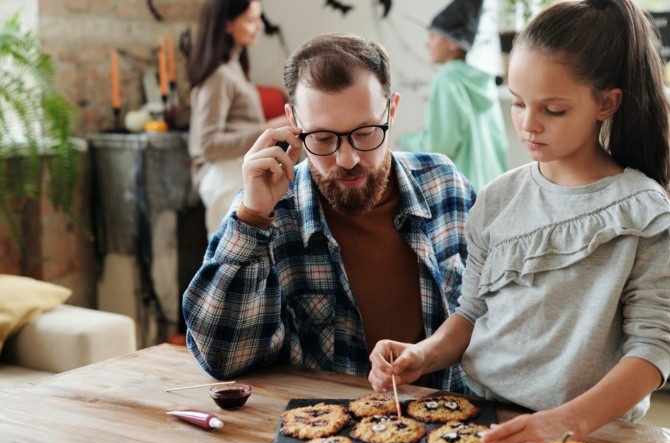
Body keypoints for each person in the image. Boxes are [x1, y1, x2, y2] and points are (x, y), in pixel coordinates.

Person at [369, 0, 670, 443]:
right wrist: (421, 355)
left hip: (588, 431)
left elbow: (652, 350)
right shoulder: (499, 197)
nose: (528, 124)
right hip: (480, 415)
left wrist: (569, 423)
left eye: (553, 110)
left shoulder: (643, 213)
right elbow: (470, 314)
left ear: (606, 103)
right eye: (518, 103)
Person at [183, 33, 476, 393]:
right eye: (322, 139)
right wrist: (254, 217)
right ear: (293, 121)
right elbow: (222, 358)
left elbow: (493, 315)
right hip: (325, 433)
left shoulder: (446, 186)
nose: (347, 159)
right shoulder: (268, 212)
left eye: (367, 133)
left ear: (392, 110)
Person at [187, 0, 290, 238]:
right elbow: (206, 145)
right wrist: (268, 129)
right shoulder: (219, 76)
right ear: (227, 25)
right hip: (223, 175)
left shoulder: (234, 68)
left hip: (236, 169)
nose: (260, 26)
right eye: (251, 20)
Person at [398, 0, 508, 190]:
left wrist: (406, 140)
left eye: (432, 37)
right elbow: (499, 144)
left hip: (464, 192)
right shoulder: (485, 81)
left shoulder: (447, 78)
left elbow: (440, 146)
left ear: (451, 43)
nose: (427, 44)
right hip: (495, 187)